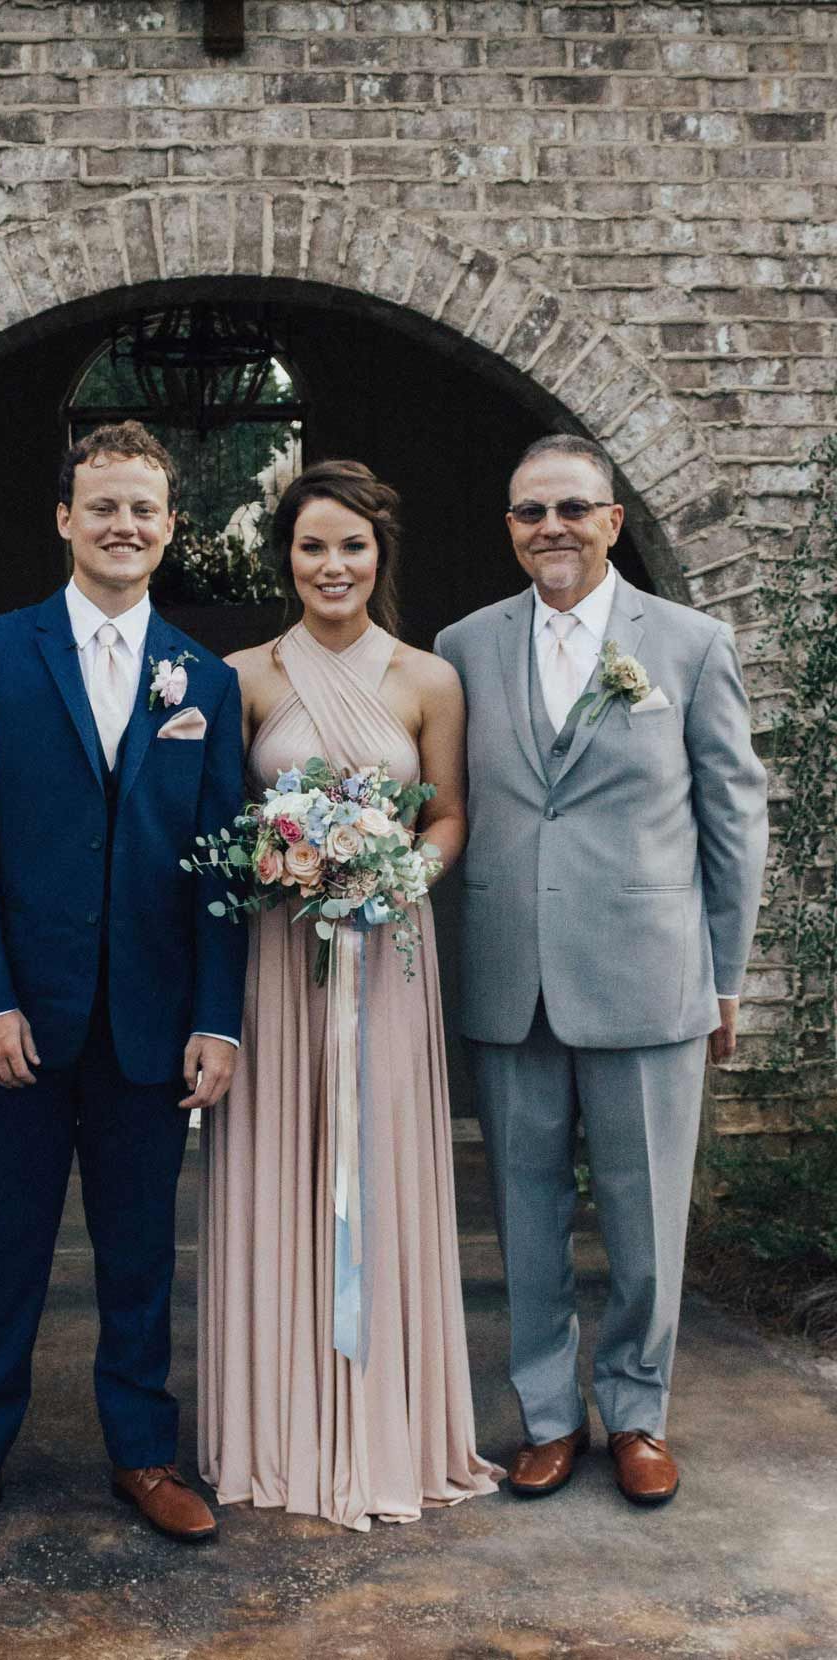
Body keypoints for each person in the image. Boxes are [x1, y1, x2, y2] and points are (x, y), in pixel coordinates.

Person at [0, 421, 247, 1556]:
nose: (124, 525)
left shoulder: (206, 678)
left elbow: (220, 864)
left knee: (141, 1251)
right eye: (102, 505)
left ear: (170, 526)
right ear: (65, 519)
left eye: (144, 509)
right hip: (18, 1017)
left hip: (148, 1021)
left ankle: (143, 1454)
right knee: (8, 1248)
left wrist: (216, 1018)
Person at [435, 434, 768, 1506]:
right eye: (531, 512)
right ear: (510, 529)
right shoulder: (464, 646)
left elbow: (734, 816)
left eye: (573, 508)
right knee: (525, 1218)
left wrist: (726, 975)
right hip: (510, 974)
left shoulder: (689, 643)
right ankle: (547, 1417)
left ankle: (636, 1411)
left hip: (649, 974)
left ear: (613, 520)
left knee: (645, 1216)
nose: (553, 528)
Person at [199, 460, 501, 1532]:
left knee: (379, 1162)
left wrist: (401, 870)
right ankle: (278, 1432)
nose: (333, 566)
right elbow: (220, 823)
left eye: (353, 546)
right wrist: (278, 859)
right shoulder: (242, 676)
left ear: (381, 553)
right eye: (312, 546)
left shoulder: (429, 679)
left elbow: (449, 813)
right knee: (279, 1162)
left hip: (386, 956)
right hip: (280, 961)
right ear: (284, 557)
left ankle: (386, 1431)